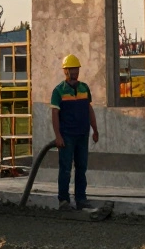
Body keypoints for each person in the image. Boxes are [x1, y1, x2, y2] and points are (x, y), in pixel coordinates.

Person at [50, 54, 99, 210]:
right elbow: (55, 114)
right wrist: (58, 136)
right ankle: (63, 200)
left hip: (82, 134)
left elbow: (89, 109)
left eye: (76, 68)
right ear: (66, 71)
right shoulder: (59, 91)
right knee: (65, 168)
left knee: (81, 167)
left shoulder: (84, 88)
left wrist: (95, 129)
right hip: (67, 136)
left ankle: (81, 199)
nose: (75, 72)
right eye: (72, 69)